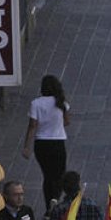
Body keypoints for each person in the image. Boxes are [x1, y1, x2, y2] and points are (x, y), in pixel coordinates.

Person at [21, 74, 70, 212]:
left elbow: (32, 126)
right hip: (58, 142)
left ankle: (49, 207)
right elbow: (67, 122)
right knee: (60, 174)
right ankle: (55, 197)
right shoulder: (62, 103)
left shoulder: (36, 103)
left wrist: (26, 147)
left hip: (41, 144)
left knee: (47, 175)